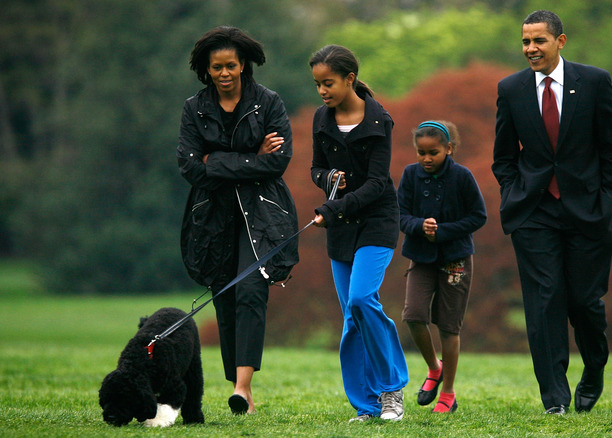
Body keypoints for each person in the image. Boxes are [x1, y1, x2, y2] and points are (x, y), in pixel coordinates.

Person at [492, 10, 612, 415]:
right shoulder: (511, 88)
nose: (530, 49)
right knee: (544, 300)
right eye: (525, 42)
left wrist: (608, 197)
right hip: (533, 211)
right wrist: (514, 193)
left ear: (560, 42)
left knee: (585, 302)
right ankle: (555, 399)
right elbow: (503, 156)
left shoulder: (595, 82)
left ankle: (594, 369)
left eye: (539, 41)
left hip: (588, 210)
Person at [177, 26, 299, 415]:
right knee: (226, 298)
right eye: (217, 67)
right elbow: (189, 167)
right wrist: (252, 156)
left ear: (243, 64)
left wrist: (218, 159)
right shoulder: (193, 108)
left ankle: (243, 388)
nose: (225, 73)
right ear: (206, 70)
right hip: (212, 217)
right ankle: (238, 385)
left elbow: (278, 162)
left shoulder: (269, 102)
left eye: (231, 65)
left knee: (250, 290)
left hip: (261, 214)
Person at [308, 44, 408, 422]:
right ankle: (366, 405)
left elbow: (379, 184)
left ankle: (391, 390)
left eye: (328, 83)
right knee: (351, 315)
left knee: (363, 299)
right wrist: (327, 178)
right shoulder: (321, 119)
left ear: (350, 79)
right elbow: (315, 169)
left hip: (378, 221)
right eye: (318, 84)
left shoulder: (379, 120)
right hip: (341, 226)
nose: (322, 91)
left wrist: (333, 208)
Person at [398, 120, 487, 414]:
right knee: (413, 314)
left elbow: (478, 216)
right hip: (421, 258)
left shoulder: (462, 177)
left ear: (449, 149)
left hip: (455, 260)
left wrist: (444, 231)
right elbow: (400, 215)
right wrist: (419, 226)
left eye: (433, 152)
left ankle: (448, 393)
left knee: (449, 327)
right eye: (421, 152)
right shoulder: (410, 175)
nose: (426, 159)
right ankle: (434, 367)